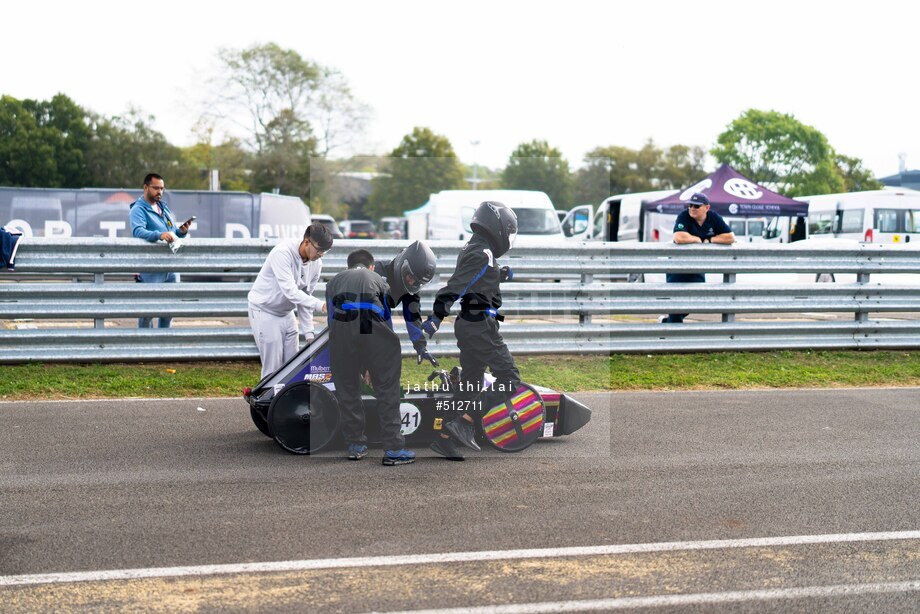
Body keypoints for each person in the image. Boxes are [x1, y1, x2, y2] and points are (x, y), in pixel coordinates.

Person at [422, 201, 520, 460]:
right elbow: (455, 286)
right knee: (509, 379)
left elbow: (475, 280)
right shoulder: (482, 254)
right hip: (479, 326)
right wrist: (435, 317)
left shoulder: (476, 248)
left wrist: (499, 274)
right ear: (497, 226)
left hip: (470, 324)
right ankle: (465, 421)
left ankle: (443, 438)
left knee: (471, 384)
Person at [326, 248, 415, 466]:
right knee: (387, 387)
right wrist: (376, 363)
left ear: (349, 267)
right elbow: (385, 319)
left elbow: (331, 317)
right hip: (372, 327)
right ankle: (394, 449)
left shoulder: (334, 282)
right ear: (371, 266)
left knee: (347, 388)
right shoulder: (378, 279)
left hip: (341, 331)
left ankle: (356, 445)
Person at [248, 222, 333, 380]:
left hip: (287, 313)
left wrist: (309, 334)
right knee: (272, 369)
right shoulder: (283, 253)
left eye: (325, 251)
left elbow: (305, 298)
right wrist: (321, 305)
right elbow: (291, 292)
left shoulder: (316, 264)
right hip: (265, 310)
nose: (321, 254)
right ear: (306, 242)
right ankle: (267, 404)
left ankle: (286, 403)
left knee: (292, 366)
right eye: (319, 250)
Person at [661, 192, 735, 324]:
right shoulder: (684, 215)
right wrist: (699, 239)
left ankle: (666, 324)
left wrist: (710, 239)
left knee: (696, 299)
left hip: (696, 266)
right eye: (690, 205)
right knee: (676, 302)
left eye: (696, 206)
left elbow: (730, 237)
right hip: (677, 266)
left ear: (707, 208)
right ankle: (671, 337)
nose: (692, 208)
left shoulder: (713, 217)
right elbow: (678, 237)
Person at [129, 173, 192, 328]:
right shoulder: (138, 209)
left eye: (162, 189)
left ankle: (163, 343)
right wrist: (159, 235)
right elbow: (138, 231)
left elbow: (170, 233)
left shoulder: (163, 207)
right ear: (145, 187)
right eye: (156, 188)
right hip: (150, 268)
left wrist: (181, 232)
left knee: (169, 310)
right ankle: (145, 346)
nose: (160, 192)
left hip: (171, 267)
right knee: (147, 312)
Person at [374, 240, 439, 367]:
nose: (412, 283)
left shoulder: (411, 287)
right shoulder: (378, 274)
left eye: (417, 281)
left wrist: (420, 346)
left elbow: (412, 315)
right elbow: (381, 315)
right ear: (402, 264)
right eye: (411, 277)